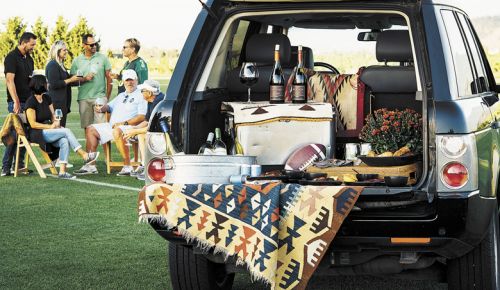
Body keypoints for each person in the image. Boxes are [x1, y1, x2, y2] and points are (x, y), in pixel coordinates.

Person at [25, 75, 99, 179]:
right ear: (39, 85)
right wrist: (50, 127)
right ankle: (84, 155)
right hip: (37, 133)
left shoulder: (47, 98)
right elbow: (33, 124)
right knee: (66, 131)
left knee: (64, 140)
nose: (47, 84)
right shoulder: (31, 102)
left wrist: (56, 122)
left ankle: (62, 172)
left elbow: (53, 115)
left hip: (48, 130)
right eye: (45, 82)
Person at [74, 70, 147, 175]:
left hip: (130, 127)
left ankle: (127, 166)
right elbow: (109, 106)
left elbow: (142, 116)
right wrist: (101, 108)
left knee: (117, 131)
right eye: (127, 80)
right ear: (123, 82)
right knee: (90, 129)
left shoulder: (141, 95)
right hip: (112, 126)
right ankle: (91, 165)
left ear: (136, 80)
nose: (129, 83)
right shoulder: (121, 95)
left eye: (132, 80)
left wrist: (124, 123)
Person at [2, 32, 37, 177]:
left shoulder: (29, 59)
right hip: (16, 102)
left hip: (28, 102)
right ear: (23, 43)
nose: (33, 47)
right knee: (13, 136)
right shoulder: (11, 57)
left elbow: (30, 80)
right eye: (32, 44)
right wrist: (16, 101)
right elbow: (10, 80)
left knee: (25, 134)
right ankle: (6, 168)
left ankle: (19, 166)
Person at [122, 79, 164, 180]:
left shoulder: (158, 103)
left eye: (142, 91)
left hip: (164, 135)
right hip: (158, 132)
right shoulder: (152, 100)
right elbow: (147, 121)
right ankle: (143, 164)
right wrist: (134, 128)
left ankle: (146, 166)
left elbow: (152, 128)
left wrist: (134, 131)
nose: (141, 93)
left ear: (149, 93)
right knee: (140, 135)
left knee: (141, 135)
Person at [70, 33, 112, 130]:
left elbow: (109, 78)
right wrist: (85, 79)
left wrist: (107, 98)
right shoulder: (77, 61)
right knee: (87, 128)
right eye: (91, 45)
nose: (94, 46)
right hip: (84, 98)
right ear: (84, 45)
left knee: (103, 128)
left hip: (99, 97)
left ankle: (105, 146)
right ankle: (90, 146)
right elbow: (72, 82)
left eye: (95, 44)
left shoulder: (103, 58)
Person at [45, 40, 81, 127]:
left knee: (61, 128)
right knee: (57, 129)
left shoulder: (60, 64)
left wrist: (84, 79)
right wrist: (71, 80)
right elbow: (54, 84)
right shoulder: (52, 65)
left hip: (62, 103)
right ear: (57, 51)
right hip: (56, 103)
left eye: (66, 50)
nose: (66, 52)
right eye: (64, 50)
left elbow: (67, 81)